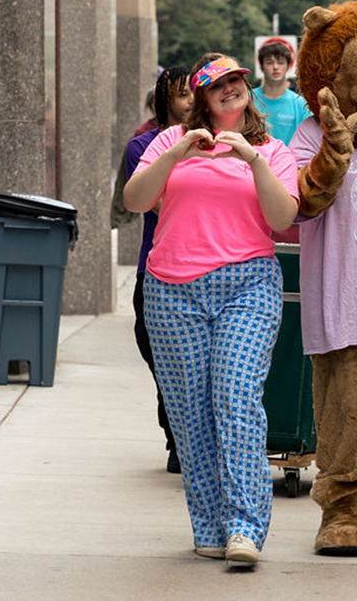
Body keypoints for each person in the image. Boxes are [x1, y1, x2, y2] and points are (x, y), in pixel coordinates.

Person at [123, 56, 299, 567]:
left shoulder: (272, 150)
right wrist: (177, 150)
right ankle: (210, 524)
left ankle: (246, 528)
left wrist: (254, 161)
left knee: (236, 397)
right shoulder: (168, 143)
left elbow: (284, 218)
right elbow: (135, 201)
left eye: (235, 82)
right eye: (215, 86)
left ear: (247, 89)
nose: (228, 90)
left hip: (247, 285)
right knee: (190, 414)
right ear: (200, 97)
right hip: (171, 290)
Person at [123, 66, 195, 474]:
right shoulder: (144, 146)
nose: (189, 101)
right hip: (155, 270)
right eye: (182, 94)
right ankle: (176, 433)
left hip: (203, 270)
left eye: (193, 94)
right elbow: (157, 202)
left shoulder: (215, 144)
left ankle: (185, 444)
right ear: (165, 97)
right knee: (162, 361)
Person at [252, 38, 310, 144]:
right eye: (269, 63)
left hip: (290, 159)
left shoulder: (300, 104)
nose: (275, 67)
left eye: (280, 63)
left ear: (288, 66)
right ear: (261, 67)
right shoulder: (249, 99)